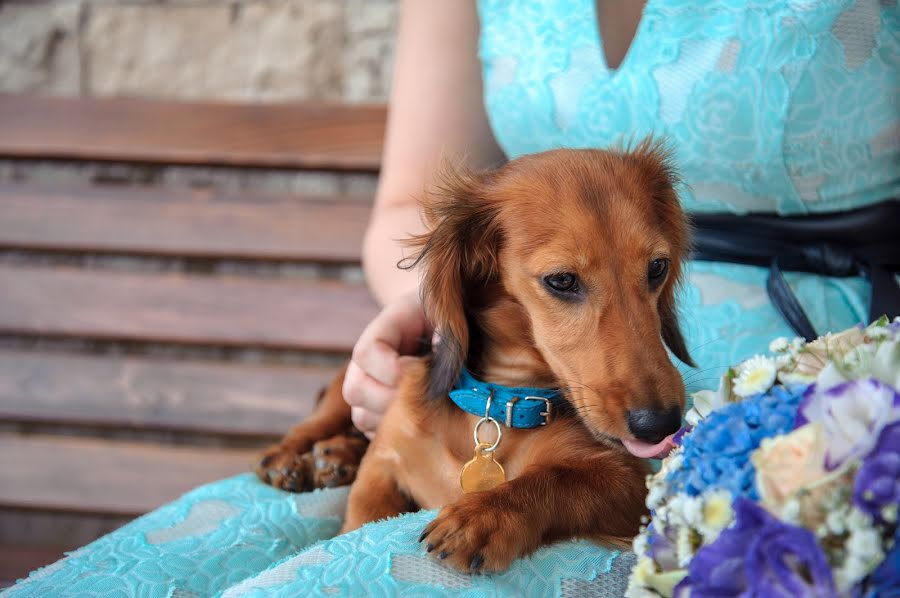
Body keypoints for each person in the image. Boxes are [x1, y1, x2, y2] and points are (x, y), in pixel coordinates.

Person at [5, 1, 896, 596]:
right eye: (566, 282)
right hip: (489, 379)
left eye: (656, 269)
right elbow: (412, 212)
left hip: (825, 400)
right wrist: (421, 314)